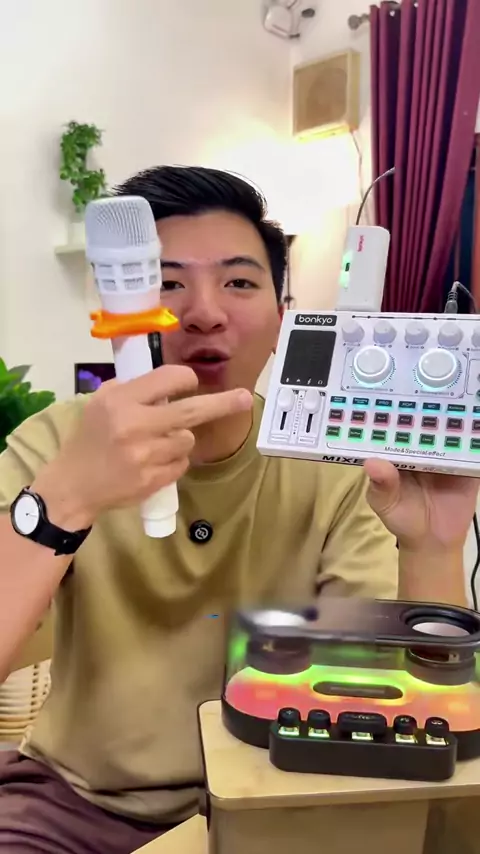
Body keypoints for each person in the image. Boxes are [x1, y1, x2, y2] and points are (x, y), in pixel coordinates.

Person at [0, 165, 476, 854]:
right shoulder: (57, 444)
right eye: (167, 282)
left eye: (239, 282)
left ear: (283, 318)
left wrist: (434, 548)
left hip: (278, 793)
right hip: (70, 803)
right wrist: (66, 498)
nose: (204, 312)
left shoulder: (335, 467)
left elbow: (398, 709)